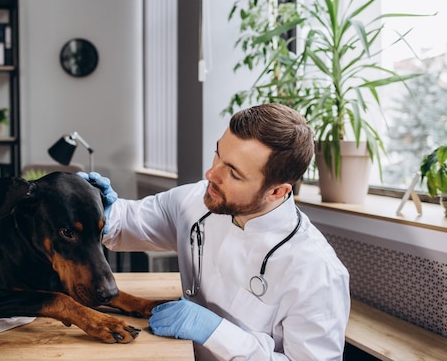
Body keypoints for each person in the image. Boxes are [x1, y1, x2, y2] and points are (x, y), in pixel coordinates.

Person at [81, 103, 350, 360]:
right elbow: (128, 222)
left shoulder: (318, 274)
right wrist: (94, 206)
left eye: (233, 173)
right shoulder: (198, 199)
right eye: (218, 153)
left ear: (277, 191)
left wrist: (215, 332)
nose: (211, 173)